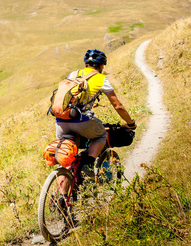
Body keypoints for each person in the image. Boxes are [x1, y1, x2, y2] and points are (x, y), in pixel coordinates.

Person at [56, 49, 137, 181]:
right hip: (81, 120)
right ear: (101, 66)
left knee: (66, 158)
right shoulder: (101, 78)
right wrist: (130, 123)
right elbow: (118, 106)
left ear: (85, 63)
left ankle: (62, 199)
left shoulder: (73, 74)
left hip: (61, 119)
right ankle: (87, 165)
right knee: (101, 136)